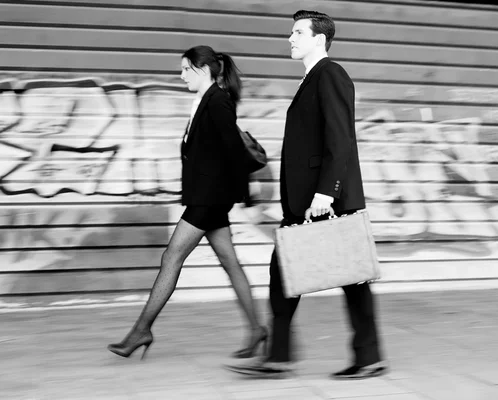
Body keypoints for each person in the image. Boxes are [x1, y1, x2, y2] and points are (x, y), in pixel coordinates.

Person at [227, 10, 388, 379]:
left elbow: (340, 139)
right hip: (309, 199)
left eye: (298, 32)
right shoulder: (311, 79)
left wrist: (326, 193)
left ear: (319, 39)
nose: (291, 38)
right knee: (333, 276)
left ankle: (284, 356)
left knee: (344, 276)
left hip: (323, 200)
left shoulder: (330, 75)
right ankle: (358, 355)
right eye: (291, 32)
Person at [108, 46, 267, 360]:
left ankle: (142, 330)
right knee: (230, 262)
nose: (181, 77)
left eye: (184, 70)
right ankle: (257, 328)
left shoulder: (218, 100)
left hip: (209, 199)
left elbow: (233, 150)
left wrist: (247, 195)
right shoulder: (204, 100)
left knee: (171, 257)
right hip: (208, 197)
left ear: (202, 69)